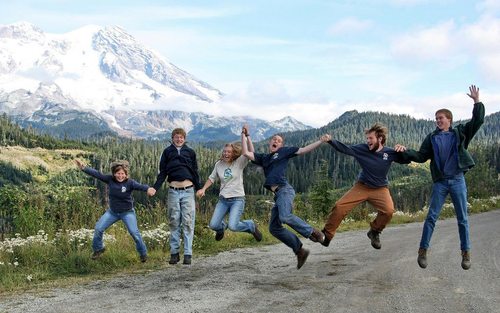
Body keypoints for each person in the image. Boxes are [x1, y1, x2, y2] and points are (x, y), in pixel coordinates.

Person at [395, 85, 484, 270]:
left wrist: (477, 102)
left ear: (449, 120)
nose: (437, 121)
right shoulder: (432, 137)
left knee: (463, 219)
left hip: (458, 180)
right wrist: (405, 152)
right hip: (441, 183)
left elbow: (478, 121)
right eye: (436, 119)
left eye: (440, 118)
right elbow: (420, 156)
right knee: (431, 217)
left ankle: (466, 253)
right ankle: (422, 251)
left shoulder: (460, 133)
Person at [241, 125, 329, 269]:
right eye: (274, 139)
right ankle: (300, 251)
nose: (276, 140)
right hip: (278, 195)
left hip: (285, 190)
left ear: (282, 145)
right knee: (274, 228)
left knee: (285, 217)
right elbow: (247, 152)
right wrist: (245, 134)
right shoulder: (265, 158)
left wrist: (320, 141)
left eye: (279, 140)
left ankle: (313, 232)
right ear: (270, 143)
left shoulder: (283, 152)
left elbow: (303, 150)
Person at [321, 123, 411, 250]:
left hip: (380, 188)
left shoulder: (389, 153)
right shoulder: (362, 149)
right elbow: (345, 149)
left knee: (388, 211)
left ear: (379, 139)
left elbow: (405, 160)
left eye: (371, 138)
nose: (368, 141)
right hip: (362, 187)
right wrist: (331, 141)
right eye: (367, 138)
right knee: (339, 207)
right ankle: (327, 235)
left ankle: (374, 231)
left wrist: (403, 150)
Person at [75, 159, 155, 263]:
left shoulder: (130, 183)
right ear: (114, 174)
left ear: (126, 174)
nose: (120, 176)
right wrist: (84, 168)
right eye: (118, 173)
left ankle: (143, 254)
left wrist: (148, 189)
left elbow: (141, 186)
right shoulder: (110, 179)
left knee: (134, 233)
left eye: (122, 174)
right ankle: (98, 249)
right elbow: (97, 174)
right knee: (98, 228)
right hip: (112, 212)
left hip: (127, 212)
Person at [196, 126, 262, 242]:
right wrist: (203, 189)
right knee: (213, 225)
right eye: (224, 151)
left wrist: (245, 136)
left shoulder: (240, 162)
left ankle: (250, 225)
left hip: (237, 199)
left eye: (229, 152)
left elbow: (251, 152)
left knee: (233, 226)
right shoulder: (219, 164)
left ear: (233, 153)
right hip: (223, 200)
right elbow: (211, 178)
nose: (226, 153)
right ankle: (221, 229)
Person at [150, 128, 201, 265]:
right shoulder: (167, 152)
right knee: (174, 220)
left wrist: (199, 188)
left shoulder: (190, 152)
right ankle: (174, 253)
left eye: (181, 137)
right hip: (173, 190)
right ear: (172, 138)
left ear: (184, 139)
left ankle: (188, 253)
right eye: (176, 137)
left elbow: (195, 171)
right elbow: (163, 172)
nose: (179, 139)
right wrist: (155, 188)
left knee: (188, 221)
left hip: (188, 190)